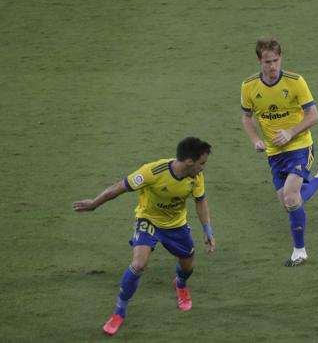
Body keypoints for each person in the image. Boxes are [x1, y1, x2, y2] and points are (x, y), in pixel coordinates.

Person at [72, 137, 216, 335]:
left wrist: (207, 228)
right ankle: (119, 312)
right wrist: (94, 204)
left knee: (187, 267)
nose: (203, 167)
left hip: (176, 226)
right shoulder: (152, 171)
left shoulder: (196, 177)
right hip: (148, 221)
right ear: (189, 162)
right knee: (139, 264)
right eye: (202, 163)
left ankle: (180, 284)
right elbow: (119, 187)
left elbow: (200, 201)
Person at [240, 37, 318, 267]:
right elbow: (246, 117)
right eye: (267, 62)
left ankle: (300, 251)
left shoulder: (295, 82)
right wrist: (256, 140)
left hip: (299, 146)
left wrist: (291, 132)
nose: (273, 66)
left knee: (291, 196)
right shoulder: (249, 86)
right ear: (258, 61)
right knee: (288, 204)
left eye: (276, 60)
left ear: (281, 57)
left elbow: (314, 115)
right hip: (274, 152)